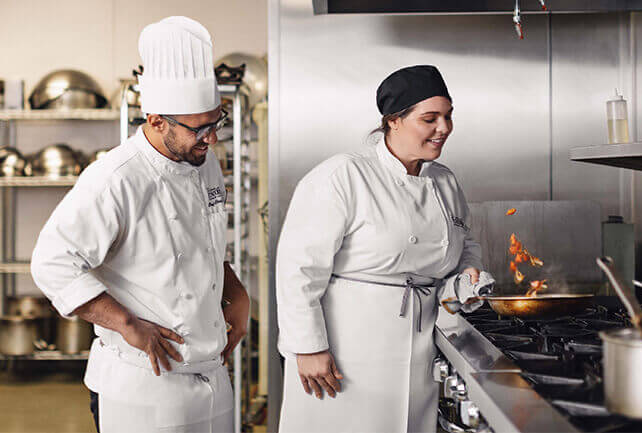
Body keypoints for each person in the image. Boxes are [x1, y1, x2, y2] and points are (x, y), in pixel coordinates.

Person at [30, 16, 249, 433]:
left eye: (216, 121)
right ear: (156, 120)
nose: (212, 138)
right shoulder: (115, 178)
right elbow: (51, 263)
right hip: (144, 386)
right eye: (199, 128)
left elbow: (197, 241)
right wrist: (126, 323)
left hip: (213, 376)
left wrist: (234, 289)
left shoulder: (203, 161)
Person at [276, 65, 492, 433]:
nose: (444, 128)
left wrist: (468, 270)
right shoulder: (343, 175)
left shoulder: (444, 181)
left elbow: (464, 241)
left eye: (448, 116)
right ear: (393, 121)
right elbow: (298, 268)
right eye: (430, 118)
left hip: (420, 346)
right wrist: (308, 348)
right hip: (347, 351)